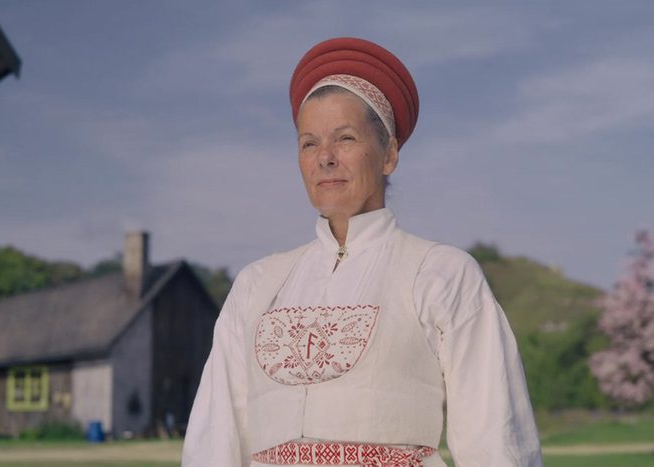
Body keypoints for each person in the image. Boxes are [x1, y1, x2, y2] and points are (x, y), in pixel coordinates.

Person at [182, 37, 543, 467]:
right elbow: (215, 438)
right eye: (309, 143)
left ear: (388, 154)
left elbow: (494, 438)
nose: (326, 159)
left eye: (346, 138)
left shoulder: (439, 273)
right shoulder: (257, 284)